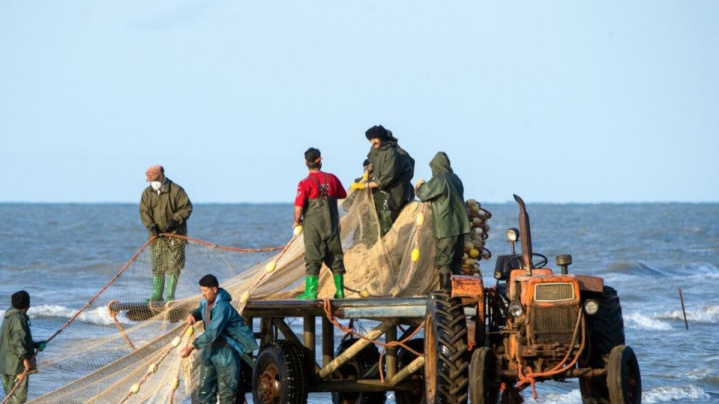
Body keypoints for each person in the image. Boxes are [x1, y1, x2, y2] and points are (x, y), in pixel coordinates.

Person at [180, 274, 258, 404]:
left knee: (227, 394)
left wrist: (191, 347)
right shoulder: (205, 303)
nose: (203, 294)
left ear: (214, 290)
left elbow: (212, 332)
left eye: (205, 291)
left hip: (226, 353)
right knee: (204, 392)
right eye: (201, 291)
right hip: (210, 351)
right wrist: (192, 314)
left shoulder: (223, 307)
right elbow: (200, 311)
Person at [294, 148, 348, 299]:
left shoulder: (304, 183)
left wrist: (297, 222)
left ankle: (311, 292)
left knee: (313, 257)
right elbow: (343, 194)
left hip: (313, 227)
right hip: (331, 225)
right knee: (336, 256)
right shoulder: (332, 179)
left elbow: (298, 208)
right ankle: (340, 291)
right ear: (320, 160)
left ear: (306, 162)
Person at [415, 152, 470, 291]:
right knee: (457, 260)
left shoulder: (440, 179)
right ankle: (458, 291)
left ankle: (444, 293)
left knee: (444, 260)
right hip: (461, 226)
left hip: (446, 226)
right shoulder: (455, 178)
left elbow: (423, 195)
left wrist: (420, 186)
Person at [140, 165, 193, 301]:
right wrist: (152, 227)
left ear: (162, 175)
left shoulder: (176, 190)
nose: (153, 183)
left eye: (156, 179)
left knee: (174, 266)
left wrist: (175, 220)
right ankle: (157, 295)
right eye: (151, 180)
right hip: (156, 237)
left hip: (175, 235)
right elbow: (144, 212)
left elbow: (187, 207)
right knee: (157, 265)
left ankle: (170, 295)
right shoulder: (147, 193)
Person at [351, 125, 414, 237]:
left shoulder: (392, 154)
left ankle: (386, 238)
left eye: (374, 139)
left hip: (394, 191)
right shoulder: (374, 148)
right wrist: (367, 170)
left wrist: (366, 186)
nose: (372, 142)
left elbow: (387, 177)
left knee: (386, 213)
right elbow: (370, 160)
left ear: (381, 137)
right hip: (378, 186)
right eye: (370, 140)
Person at [0, 291, 46, 404]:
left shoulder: (9, 317)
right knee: (18, 400)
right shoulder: (18, 319)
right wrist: (25, 360)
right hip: (17, 366)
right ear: (27, 305)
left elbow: (14, 340)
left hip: (6, 365)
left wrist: (35, 345)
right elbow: (18, 342)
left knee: (11, 398)